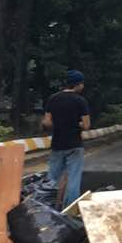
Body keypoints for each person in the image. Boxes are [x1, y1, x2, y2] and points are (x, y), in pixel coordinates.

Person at [42, 70, 91, 208]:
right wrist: (76, 124)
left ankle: (47, 206)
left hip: (57, 143)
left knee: (52, 177)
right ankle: (69, 209)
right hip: (75, 144)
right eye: (82, 84)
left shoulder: (53, 98)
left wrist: (58, 124)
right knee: (73, 178)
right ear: (78, 84)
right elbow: (86, 125)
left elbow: (46, 122)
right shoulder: (80, 101)